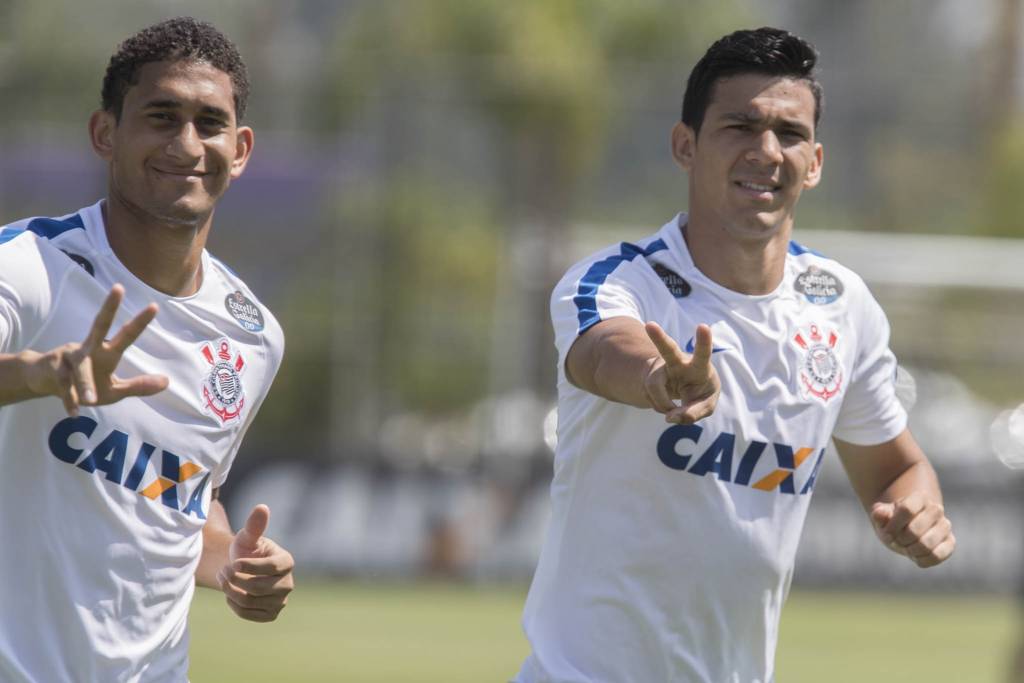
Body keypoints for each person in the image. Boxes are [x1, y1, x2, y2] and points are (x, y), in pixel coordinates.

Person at [515, 27, 955, 683]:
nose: (766, 151)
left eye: (789, 133)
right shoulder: (615, 282)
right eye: (740, 127)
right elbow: (603, 353)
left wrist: (918, 510)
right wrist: (660, 378)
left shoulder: (843, 307)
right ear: (685, 146)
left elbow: (897, 468)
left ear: (815, 162)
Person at [0, 17, 294, 682]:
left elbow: (186, 497)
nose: (186, 144)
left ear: (240, 149)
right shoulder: (30, 267)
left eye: (209, 123)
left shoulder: (255, 336)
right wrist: (40, 373)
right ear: (105, 134)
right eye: (161, 117)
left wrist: (232, 561)